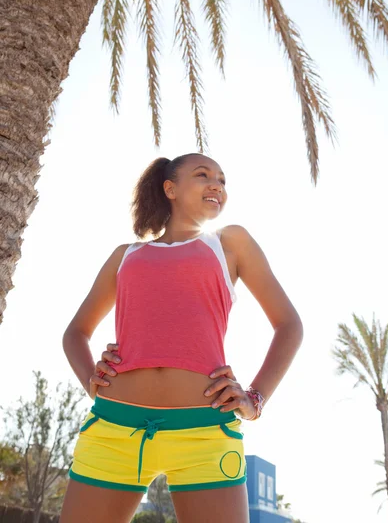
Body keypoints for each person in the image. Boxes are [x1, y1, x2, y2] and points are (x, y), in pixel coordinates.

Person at [60, 152, 303, 523]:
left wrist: (255, 397)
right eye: (203, 175)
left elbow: (289, 324)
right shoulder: (125, 256)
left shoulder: (230, 243)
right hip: (112, 429)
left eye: (222, 180)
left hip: (204, 433)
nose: (216, 185)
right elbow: (76, 333)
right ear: (170, 188)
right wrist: (92, 382)